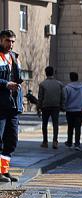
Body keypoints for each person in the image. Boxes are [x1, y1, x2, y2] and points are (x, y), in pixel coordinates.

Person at [0, 30, 22, 182]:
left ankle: (4, 170)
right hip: (0, 106)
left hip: (13, 106)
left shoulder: (14, 57)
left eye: (13, 41)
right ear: (1, 40)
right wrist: (6, 84)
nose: (11, 44)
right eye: (8, 41)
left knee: (11, 139)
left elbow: (18, 79)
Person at [63, 72, 82, 150]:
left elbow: (64, 98)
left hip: (70, 110)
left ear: (70, 78)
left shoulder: (67, 88)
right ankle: (77, 144)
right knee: (78, 127)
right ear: (77, 78)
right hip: (79, 110)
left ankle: (69, 142)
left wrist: (64, 106)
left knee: (70, 127)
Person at [38, 66, 64, 149]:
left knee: (44, 124)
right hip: (56, 106)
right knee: (55, 124)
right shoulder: (59, 84)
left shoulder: (42, 84)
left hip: (45, 106)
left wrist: (38, 107)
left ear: (46, 73)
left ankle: (45, 142)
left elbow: (40, 97)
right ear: (53, 73)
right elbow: (62, 96)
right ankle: (55, 141)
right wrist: (62, 106)